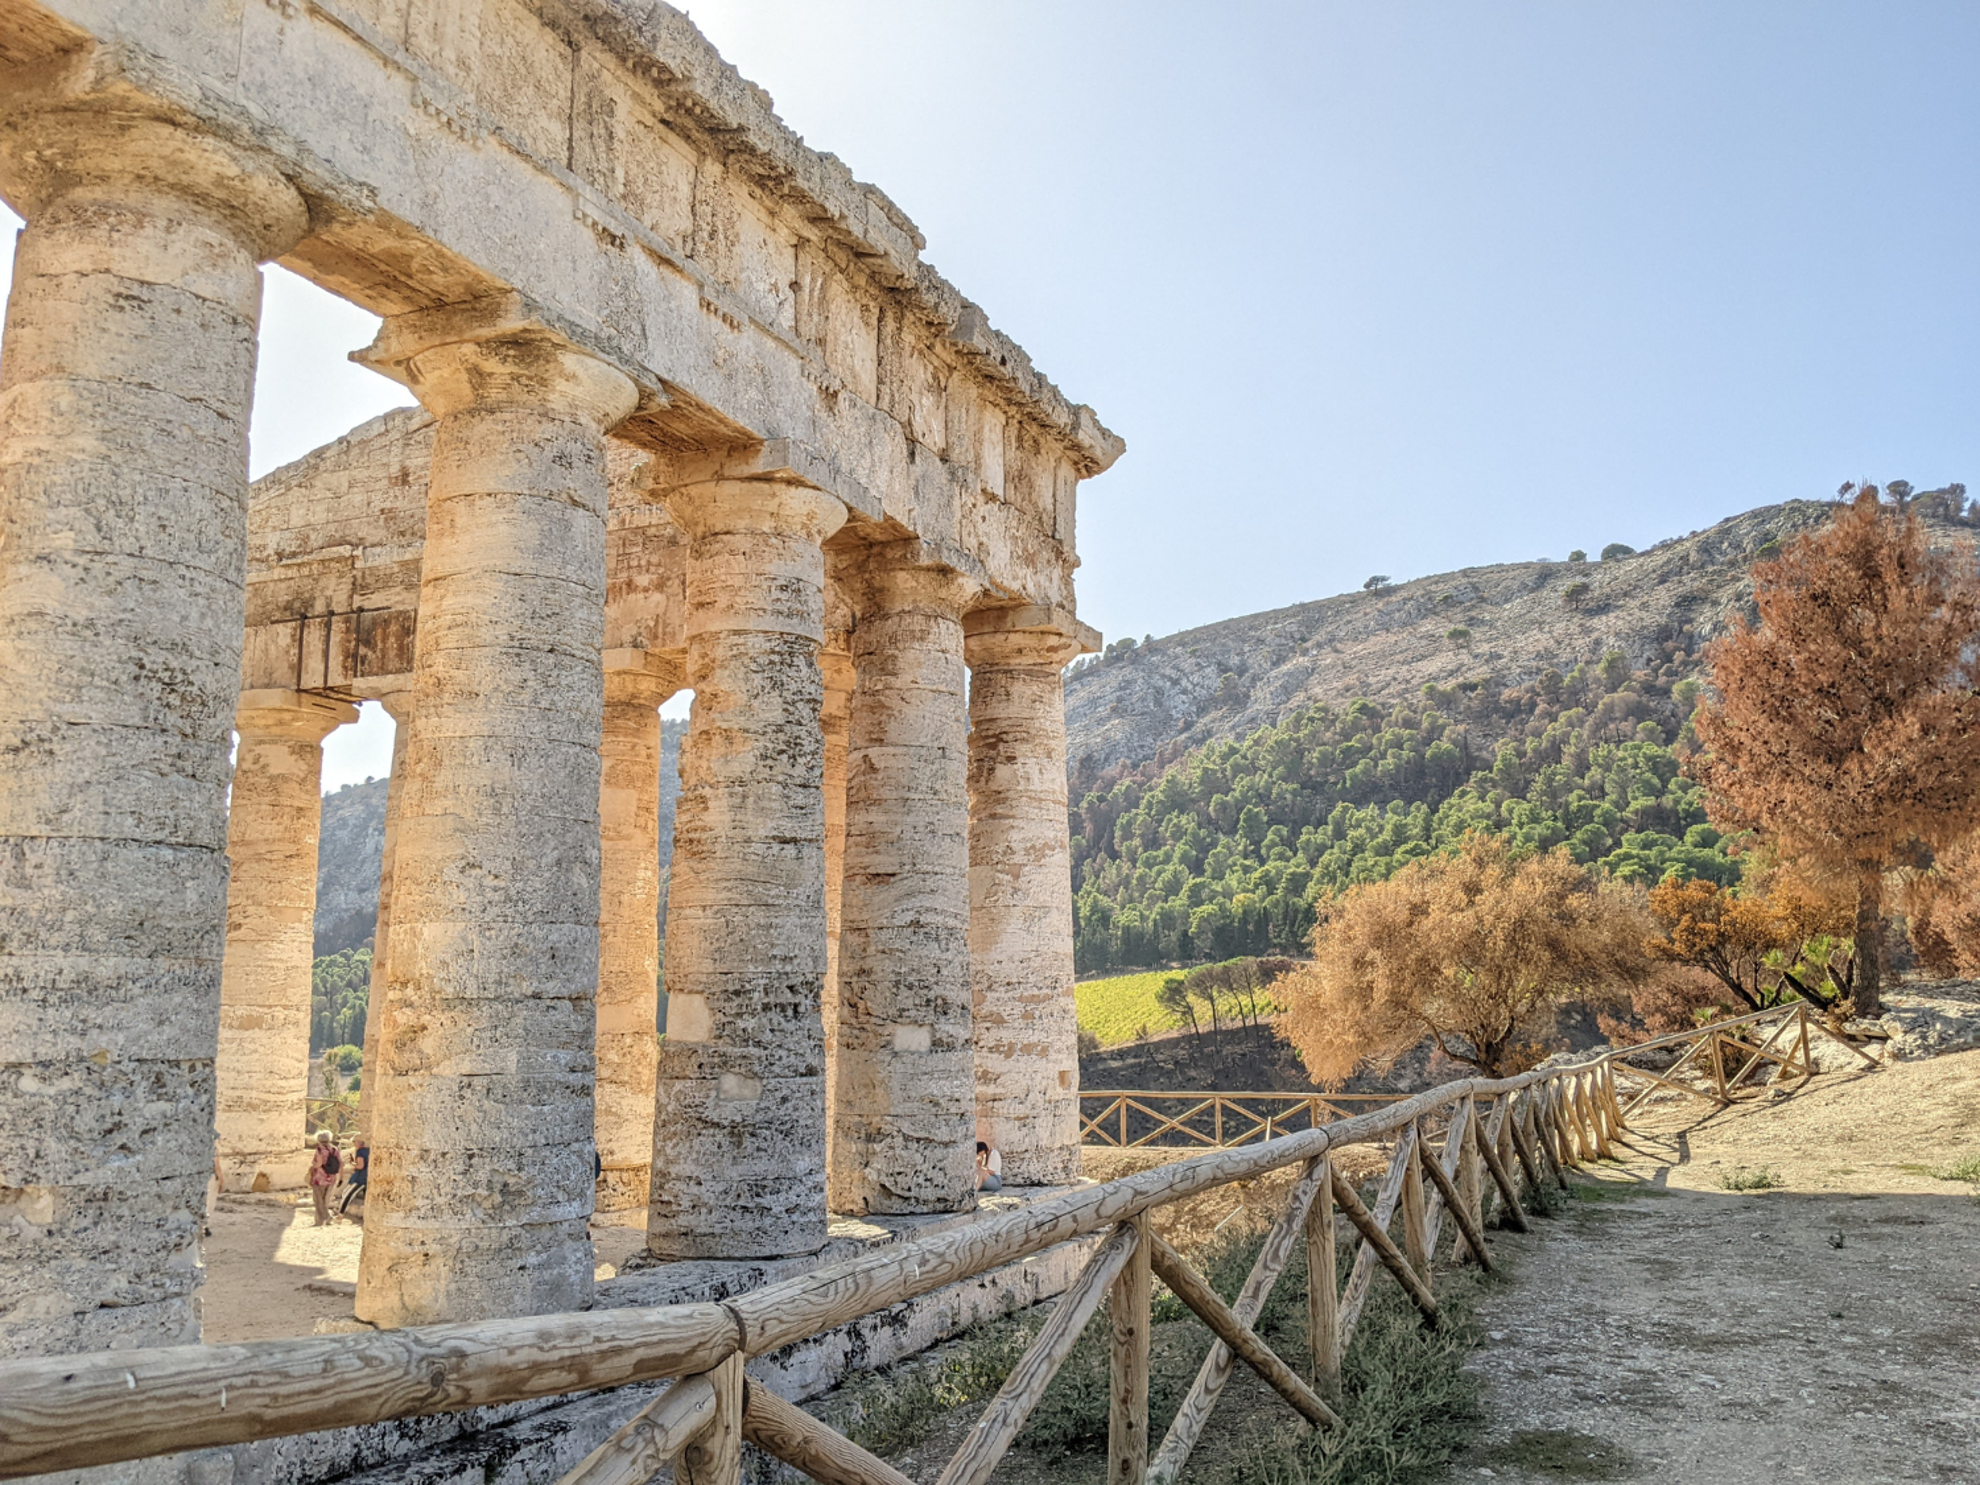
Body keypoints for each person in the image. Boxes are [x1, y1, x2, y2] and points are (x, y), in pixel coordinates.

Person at [307, 1130, 339, 1226]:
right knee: (326, 1200)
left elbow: (319, 1163)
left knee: (318, 1200)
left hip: (319, 1178)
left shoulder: (319, 1150)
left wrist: (312, 1167)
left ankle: (323, 1219)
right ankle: (324, 1220)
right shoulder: (334, 1149)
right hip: (331, 1177)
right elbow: (340, 1163)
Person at [338, 1137, 369, 1219]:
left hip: (360, 1177)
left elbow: (360, 1166)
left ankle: (340, 1214)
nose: (353, 1143)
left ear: (359, 1142)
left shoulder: (360, 1151)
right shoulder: (368, 1150)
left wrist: (351, 1163)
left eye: (354, 1141)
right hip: (367, 1176)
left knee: (347, 1194)